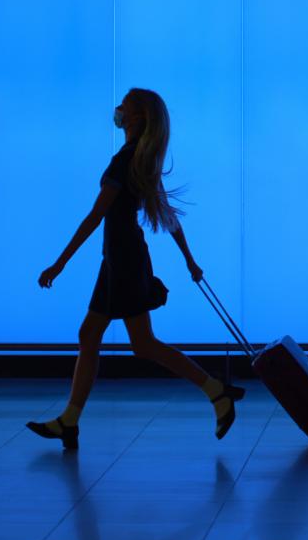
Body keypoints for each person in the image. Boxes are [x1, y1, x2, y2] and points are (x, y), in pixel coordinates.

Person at [28, 88, 244, 450]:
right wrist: (189, 260)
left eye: (124, 105)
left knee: (142, 344)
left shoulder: (125, 160)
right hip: (120, 257)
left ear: (136, 117)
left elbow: (96, 216)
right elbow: (169, 217)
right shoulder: (141, 159)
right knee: (90, 335)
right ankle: (69, 421)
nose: (118, 109)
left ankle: (216, 391)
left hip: (123, 259)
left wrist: (59, 263)